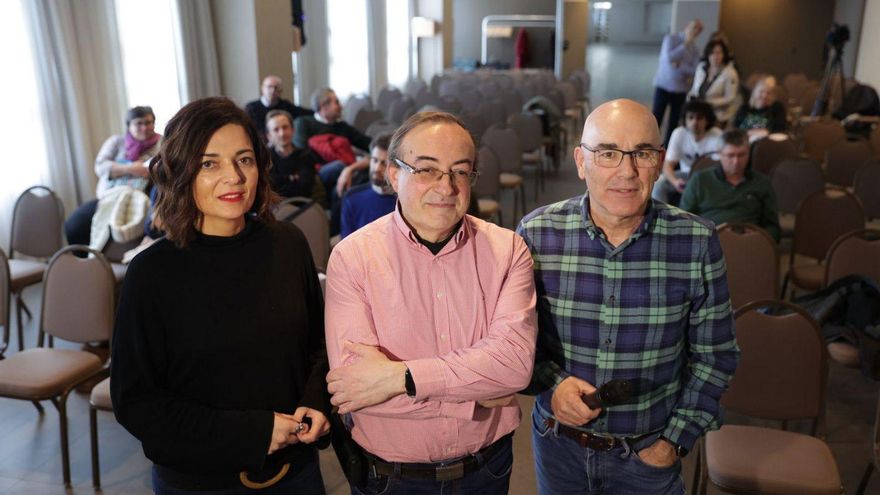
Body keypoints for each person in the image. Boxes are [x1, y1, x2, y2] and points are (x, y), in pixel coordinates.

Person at [517, 99, 739, 495]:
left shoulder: (697, 241)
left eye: (641, 153)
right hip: (557, 446)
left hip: (649, 455)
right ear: (580, 161)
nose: (627, 171)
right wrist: (553, 383)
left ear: (659, 160)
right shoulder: (536, 234)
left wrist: (672, 443)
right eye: (607, 153)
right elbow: (514, 341)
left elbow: (716, 356)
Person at [111, 97, 330, 494]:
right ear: (180, 171)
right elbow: (136, 403)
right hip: (200, 483)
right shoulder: (151, 274)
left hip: (297, 473)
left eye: (244, 159)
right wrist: (254, 432)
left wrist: (316, 400)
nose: (235, 176)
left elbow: (319, 344)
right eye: (210, 163)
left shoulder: (288, 244)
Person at [324, 111, 537, 495]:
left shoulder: (509, 249)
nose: (447, 187)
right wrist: (481, 394)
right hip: (391, 479)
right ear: (393, 175)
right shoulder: (352, 257)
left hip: (486, 470)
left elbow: (514, 368)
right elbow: (357, 392)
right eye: (426, 170)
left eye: (460, 171)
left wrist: (399, 378)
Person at [64, 106, 160, 246]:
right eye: (139, 123)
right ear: (129, 126)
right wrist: (131, 169)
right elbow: (100, 166)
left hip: (143, 198)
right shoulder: (117, 142)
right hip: (109, 196)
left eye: (148, 123)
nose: (144, 128)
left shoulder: (162, 144)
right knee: (74, 225)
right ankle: (88, 262)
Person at [680, 128, 781, 241]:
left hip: (749, 244)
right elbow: (683, 222)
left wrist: (759, 236)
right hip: (709, 242)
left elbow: (774, 228)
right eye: (730, 155)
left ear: (749, 153)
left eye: (741, 155)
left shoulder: (762, 183)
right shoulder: (700, 180)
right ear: (720, 154)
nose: (736, 161)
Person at [293, 88, 373, 198]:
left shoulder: (342, 126)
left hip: (344, 173)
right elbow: (301, 152)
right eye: (336, 102)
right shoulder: (304, 123)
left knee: (346, 186)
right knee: (339, 166)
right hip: (317, 172)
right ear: (323, 106)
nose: (341, 106)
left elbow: (368, 143)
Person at [652, 100, 723, 205]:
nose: (694, 122)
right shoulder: (679, 133)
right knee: (659, 184)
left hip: (710, 177)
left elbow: (722, 167)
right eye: (690, 118)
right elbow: (667, 166)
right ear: (685, 119)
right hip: (686, 175)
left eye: (699, 118)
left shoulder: (718, 135)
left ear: (707, 120)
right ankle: (661, 216)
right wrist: (675, 182)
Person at [652, 19, 703, 145]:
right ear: (687, 26)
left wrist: (679, 66)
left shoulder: (695, 50)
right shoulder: (670, 39)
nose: (694, 31)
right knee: (655, 118)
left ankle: (668, 149)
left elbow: (695, 70)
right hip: (663, 86)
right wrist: (685, 45)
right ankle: (650, 144)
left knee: (674, 122)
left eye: (698, 30)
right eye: (693, 27)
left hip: (680, 90)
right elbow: (668, 59)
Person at [339, 133, 396, 238]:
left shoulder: (404, 201)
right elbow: (346, 243)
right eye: (375, 160)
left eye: (384, 163)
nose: (377, 168)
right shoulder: (352, 197)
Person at [265, 109, 326, 206]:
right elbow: (267, 188)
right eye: (276, 129)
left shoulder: (305, 156)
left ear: (292, 130)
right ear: (269, 136)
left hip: (302, 210)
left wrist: (279, 180)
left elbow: (303, 190)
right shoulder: (265, 160)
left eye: (285, 127)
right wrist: (291, 178)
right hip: (275, 211)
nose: (282, 133)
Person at [688, 40, 742, 127]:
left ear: (724, 54)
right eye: (712, 53)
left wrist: (709, 103)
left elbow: (730, 98)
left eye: (718, 53)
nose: (715, 56)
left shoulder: (730, 73)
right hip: (698, 111)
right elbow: (694, 88)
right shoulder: (702, 67)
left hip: (718, 115)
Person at [245, 74, 311, 139]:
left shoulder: (285, 105)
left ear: (280, 91)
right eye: (269, 87)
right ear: (262, 89)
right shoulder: (251, 108)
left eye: (276, 87)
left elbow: (305, 112)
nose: (273, 90)